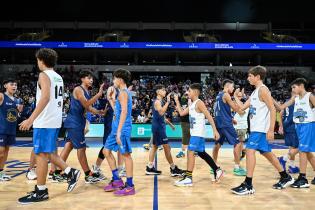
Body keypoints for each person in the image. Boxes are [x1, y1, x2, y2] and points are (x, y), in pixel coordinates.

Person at [18, 48, 80, 204]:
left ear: (41, 60)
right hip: (54, 120)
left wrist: (30, 119)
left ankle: (41, 191)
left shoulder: (43, 75)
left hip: (44, 121)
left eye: (37, 60)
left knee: (40, 155)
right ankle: (69, 172)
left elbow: (45, 98)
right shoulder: (58, 77)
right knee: (48, 153)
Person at [231, 65, 294, 195]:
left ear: (257, 77)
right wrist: (234, 97)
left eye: (250, 76)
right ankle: (285, 176)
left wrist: (271, 130)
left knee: (249, 151)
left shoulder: (263, 90)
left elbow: (272, 109)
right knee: (268, 154)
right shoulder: (255, 92)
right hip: (255, 129)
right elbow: (242, 108)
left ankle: (248, 184)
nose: (248, 78)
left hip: (260, 129)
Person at [59, 70, 105, 183]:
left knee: (69, 145)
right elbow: (86, 104)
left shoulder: (86, 91)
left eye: (92, 78)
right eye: (89, 78)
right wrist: (98, 95)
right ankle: (88, 174)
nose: (91, 80)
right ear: (82, 79)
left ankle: (57, 172)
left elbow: (88, 108)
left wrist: (99, 112)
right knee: (82, 148)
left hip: (78, 121)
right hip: (74, 122)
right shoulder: (78, 89)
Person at [174, 83, 223, 186]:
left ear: (195, 92)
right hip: (195, 133)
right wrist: (177, 101)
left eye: (189, 91)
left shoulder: (199, 103)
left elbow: (209, 116)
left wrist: (215, 130)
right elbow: (182, 113)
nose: (188, 93)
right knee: (202, 153)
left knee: (190, 152)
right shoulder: (192, 104)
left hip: (198, 133)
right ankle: (217, 170)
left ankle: (188, 177)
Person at [274, 78, 315, 188]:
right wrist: (270, 98)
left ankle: (303, 178)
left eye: (294, 87)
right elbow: (281, 107)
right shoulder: (295, 98)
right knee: (307, 152)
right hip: (298, 126)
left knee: (302, 150)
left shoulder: (310, 96)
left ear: (301, 86)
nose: (292, 89)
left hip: (308, 125)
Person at [103, 69, 135, 196]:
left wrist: (119, 131)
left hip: (122, 129)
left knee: (126, 155)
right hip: (116, 128)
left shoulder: (123, 93)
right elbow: (118, 110)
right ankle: (117, 180)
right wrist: (111, 100)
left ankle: (130, 185)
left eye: (114, 78)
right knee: (106, 151)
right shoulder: (121, 93)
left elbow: (124, 112)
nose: (113, 81)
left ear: (120, 79)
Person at [145, 85, 183, 176]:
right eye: (163, 90)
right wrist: (168, 102)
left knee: (154, 147)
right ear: (158, 92)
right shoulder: (158, 102)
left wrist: (170, 124)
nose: (165, 91)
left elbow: (162, 116)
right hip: (158, 128)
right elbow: (161, 112)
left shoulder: (160, 101)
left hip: (158, 126)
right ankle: (173, 168)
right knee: (167, 147)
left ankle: (149, 167)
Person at [213, 79, 246, 176]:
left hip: (219, 123)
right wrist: (241, 112)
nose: (233, 88)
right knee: (237, 143)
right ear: (227, 86)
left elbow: (220, 111)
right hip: (225, 124)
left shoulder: (218, 95)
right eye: (232, 87)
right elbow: (234, 107)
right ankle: (237, 167)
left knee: (217, 144)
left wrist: (231, 118)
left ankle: (213, 166)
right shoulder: (226, 95)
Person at [0, 78, 23, 181]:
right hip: (1, 129)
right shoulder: (1, 96)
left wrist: (19, 112)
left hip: (11, 130)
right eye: (12, 84)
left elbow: (15, 116)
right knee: (1, 151)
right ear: (5, 86)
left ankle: (1, 172)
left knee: (6, 151)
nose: (14, 86)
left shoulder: (17, 100)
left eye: (15, 85)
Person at [277, 92, 300, 174]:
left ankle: (292, 166)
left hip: (287, 126)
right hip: (293, 126)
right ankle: (283, 158)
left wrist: (281, 126)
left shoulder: (287, 101)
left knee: (292, 147)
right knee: (302, 146)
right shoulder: (296, 101)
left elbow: (280, 113)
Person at [233, 90, 249, 162]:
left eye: (240, 96)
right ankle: (242, 152)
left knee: (238, 144)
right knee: (240, 143)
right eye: (237, 96)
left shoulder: (244, 105)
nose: (238, 98)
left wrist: (234, 106)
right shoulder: (236, 104)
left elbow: (241, 113)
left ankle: (238, 157)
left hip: (241, 127)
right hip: (236, 126)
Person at [176, 93, 191, 158]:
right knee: (186, 136)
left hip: (189, 121)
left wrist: (189, 98)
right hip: (184, 121)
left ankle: (183, 151)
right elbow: (178, 110)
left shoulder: (190, 101)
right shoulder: (181, 101)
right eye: (185, 94)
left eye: (187, 95)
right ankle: (184, 151)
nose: (185, 96)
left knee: (186, 136)